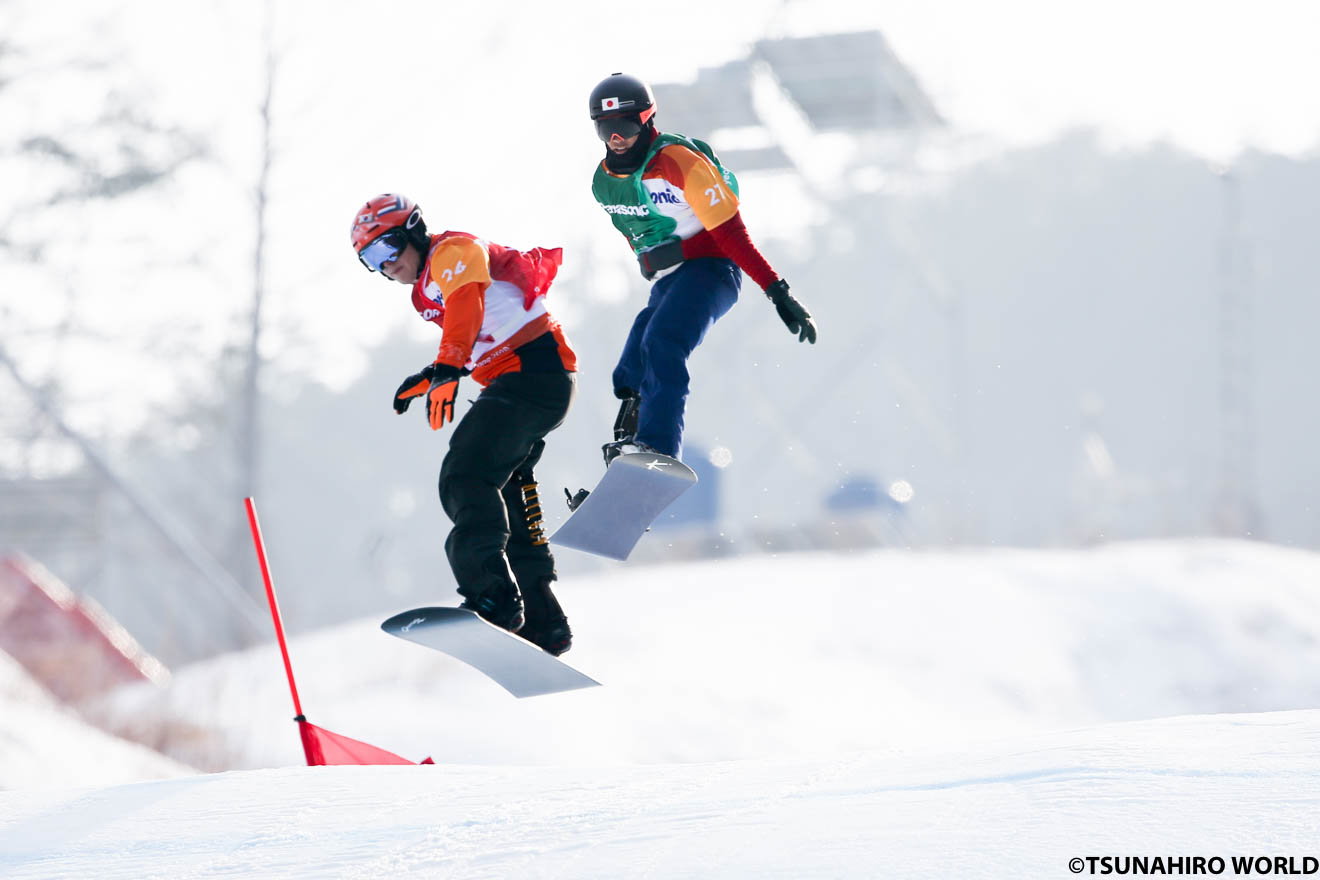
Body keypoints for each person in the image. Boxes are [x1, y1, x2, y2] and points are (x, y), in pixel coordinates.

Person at [349, 194, 577, 655]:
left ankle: (491, 596)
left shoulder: (453, 251)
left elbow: (467, 306)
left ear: (414, 230)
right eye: (370, 260)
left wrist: (449, 366)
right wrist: (437, 372)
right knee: (509, 491)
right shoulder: (424, 288)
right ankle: (544, 619)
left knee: (465, 475)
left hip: (531, 373)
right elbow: (468, 325)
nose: (386, 265)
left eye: (388, 248)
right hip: (525, 381)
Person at [587, 72, 817, 464]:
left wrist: (777, 290)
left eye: (624, 126)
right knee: (631, 366)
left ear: (646, 119)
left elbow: (733, 237)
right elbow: (640, 239)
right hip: (669, 279)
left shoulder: (679, 164)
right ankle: (628, 448)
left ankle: (657, 451)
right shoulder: (603, 183)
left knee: (662, 343)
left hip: (713, 269)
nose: (616, 139)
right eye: (605, 128)